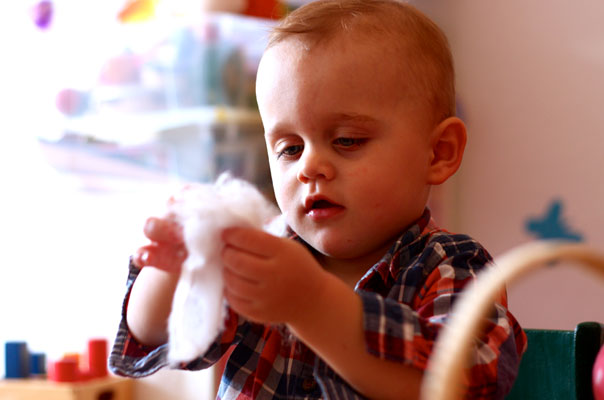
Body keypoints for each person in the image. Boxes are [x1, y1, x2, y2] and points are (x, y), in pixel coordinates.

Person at [109, 1, 527, 399]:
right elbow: (156, 335)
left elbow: (457, 385)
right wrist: (173, 268)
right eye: (289, 149)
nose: (309, 167)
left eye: (347, 140)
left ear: (438, 153)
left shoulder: (454, 266)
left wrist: (311, 303)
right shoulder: (263, 254)